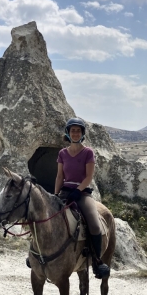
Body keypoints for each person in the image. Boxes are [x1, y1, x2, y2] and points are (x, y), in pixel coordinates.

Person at [55, 118, 110, 279]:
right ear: (68, 132)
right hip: (65, 192)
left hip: (82, 193)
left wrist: (78, 191)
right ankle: (35, 254)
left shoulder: (88, 152)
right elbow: (59, 176)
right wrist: (56, 195)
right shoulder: (62, 153)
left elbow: (89, 176)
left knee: (94, 224)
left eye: (78, 130)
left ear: (82, 133)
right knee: (45, 216)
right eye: (72, 130)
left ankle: (97, 262)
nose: (75, 133)